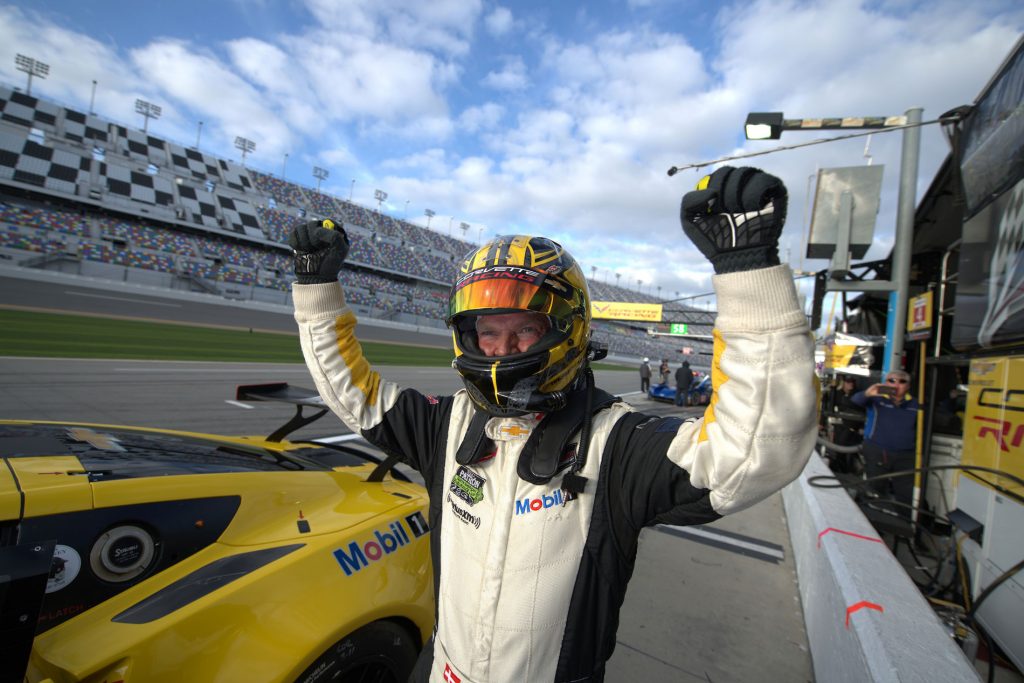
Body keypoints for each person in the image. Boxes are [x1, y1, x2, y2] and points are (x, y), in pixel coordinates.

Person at [289, 165, 817, 682]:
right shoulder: (446, 425)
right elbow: (353, 395)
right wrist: (316, 290)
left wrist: (749, 275)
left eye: (525, 329)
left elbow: (751, 453)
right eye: (486, 332)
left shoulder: (617, 444)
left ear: (567, 330)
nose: (502, 349)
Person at [852, 369, 918, 518]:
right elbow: (856, 401)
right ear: (885, 383)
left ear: (908, 386)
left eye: (902, 382)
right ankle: (873, 523)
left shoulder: (915, 404)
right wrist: (868, 393)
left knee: (905, 494)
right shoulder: (876, 400)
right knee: (875, 488)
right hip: (878, 450)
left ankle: (904, 526)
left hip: (906, 455)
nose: (896, 384)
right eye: (892, 381)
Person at [828, 375, 865, 473]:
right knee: (839, 449)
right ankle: (840, 469)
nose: (851, 384)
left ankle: (851, 469)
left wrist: (861, 427)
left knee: (851, 450)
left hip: (854, 427)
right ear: (843, 382)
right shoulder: (837, 394)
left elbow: (863, 411)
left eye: (852, 382)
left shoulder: (857, 395)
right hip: (840, 426)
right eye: (848, 382)